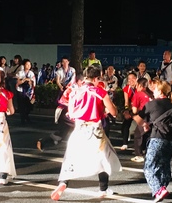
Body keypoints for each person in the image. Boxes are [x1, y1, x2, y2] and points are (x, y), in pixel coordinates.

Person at [51, 65, 122, 201]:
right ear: (96, 78)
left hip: (79, 129)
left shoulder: (74, 91)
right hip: (95, 129)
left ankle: (63, 183)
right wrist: (107, 110)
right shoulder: (99, 92)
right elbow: (113, 112)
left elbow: (70, 113)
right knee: (104, 157)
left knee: (71, 158)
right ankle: (104, 188)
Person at [133, 79, 172, 202]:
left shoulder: (151, 104)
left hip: (158, 138)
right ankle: (163, 186)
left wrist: (145, 125)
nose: (153, 92)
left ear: (160, 91)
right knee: (164, 164)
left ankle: (158, 190)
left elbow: (138, 119)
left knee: (149, 166)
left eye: (154, 89)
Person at [36, 73, 84, 151]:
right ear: (78, 81)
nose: (83, 84)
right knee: (80, 126)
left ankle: (43, 142)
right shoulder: (73, 88)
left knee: (62, 134)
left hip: (68, 112)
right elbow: (66, 102)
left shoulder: (76, 87)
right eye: (82, 82)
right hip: (66, 112)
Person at [130, 77, 153, 162]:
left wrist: (132, 114)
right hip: (153, 116)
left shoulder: (138, 94)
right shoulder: (151, 94)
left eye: (137, 85)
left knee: (138, 134)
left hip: (143, 116)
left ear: (140, 85)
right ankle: (148, 152)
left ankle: (139, 155)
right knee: (148, 135)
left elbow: (134, 110)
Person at [120, 72, 137, 150]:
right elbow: (126, 101)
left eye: (132, 78)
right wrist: (127, 111)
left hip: (139, 108)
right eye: (129, 79)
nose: (131, 80)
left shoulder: (139, 87)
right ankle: (125, 143)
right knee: (125, 125)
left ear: (136, 79)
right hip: (131, 108)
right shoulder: (127, 88)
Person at [16, 59, 36, 125]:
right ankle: (23, 119)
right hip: (21, 91)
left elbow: (33, 83)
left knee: (29, 105)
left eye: (30, 64)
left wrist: (28, 81)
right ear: (24, 65)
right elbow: (18, 82)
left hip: (29, 92)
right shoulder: (20, 73)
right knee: (22, 106)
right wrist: (24, 80)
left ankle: (26, 116)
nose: (29, 66)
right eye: (27, 64)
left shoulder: (31, 73)